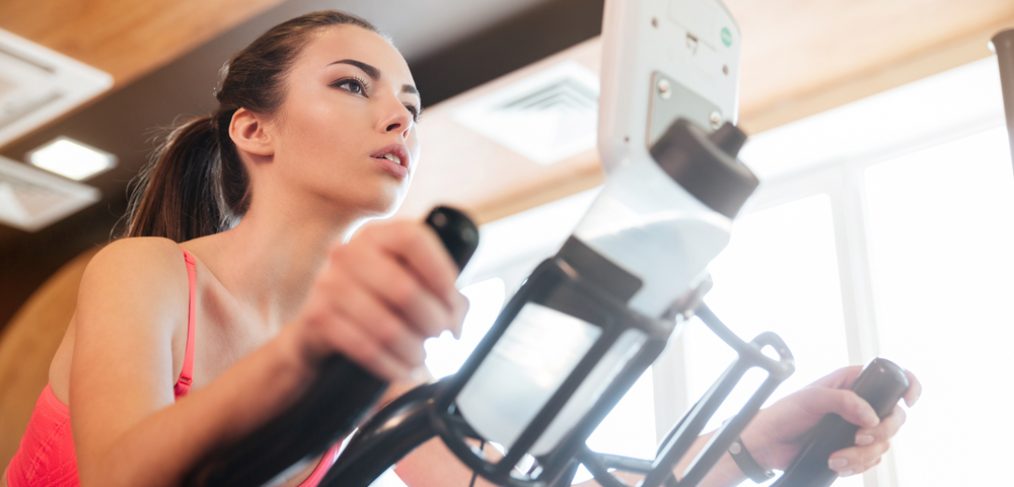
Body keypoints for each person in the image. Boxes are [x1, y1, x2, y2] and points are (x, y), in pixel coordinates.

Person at [3, 10, 920, 487]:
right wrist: (319, 347)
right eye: (353, 85)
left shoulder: (377, 360)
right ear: (254, 128)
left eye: (405, 97)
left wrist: (746, 445)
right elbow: (123, 475)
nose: (397, 112)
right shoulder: (147, 273)